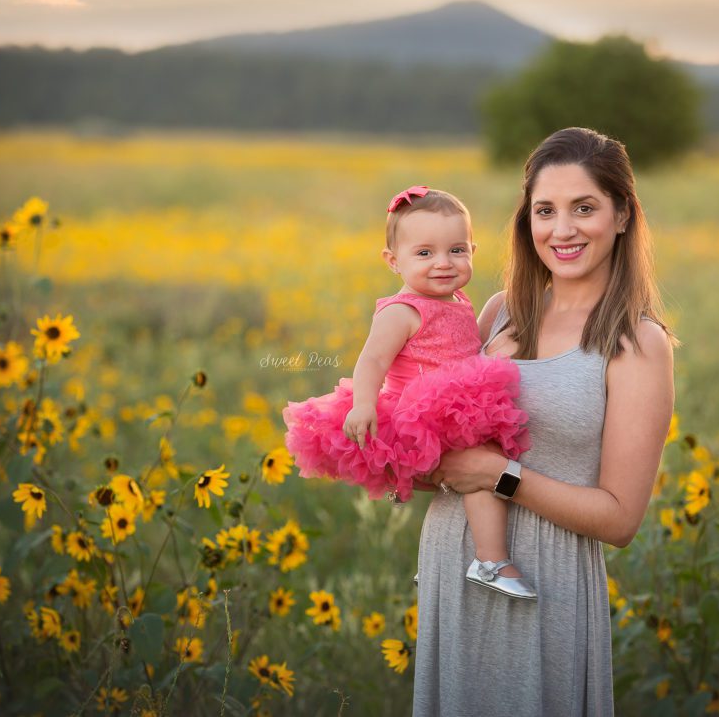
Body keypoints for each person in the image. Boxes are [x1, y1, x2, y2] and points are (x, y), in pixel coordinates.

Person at [411, 127, 677, 716]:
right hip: (451, 564)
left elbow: (619, 518)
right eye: (545, 210)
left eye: (585, 208)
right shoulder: (501, 312)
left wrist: (498, 475)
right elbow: (452, 434)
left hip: (543, 581)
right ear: (525, 220)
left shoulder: (638, 342)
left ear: (623, 214)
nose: (563, 230)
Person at [282, 186, 538, 599]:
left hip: (451, 407)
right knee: (484, 472)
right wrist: (364, 404)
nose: (443, 263)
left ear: (472, 249)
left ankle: (447, 564)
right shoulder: (402, 310)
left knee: (477, 475)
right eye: (424, 254)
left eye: (457, 250)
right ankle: (490, 561)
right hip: (417, 415)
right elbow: (371, 362)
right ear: (393, 261)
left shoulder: (458, 299)